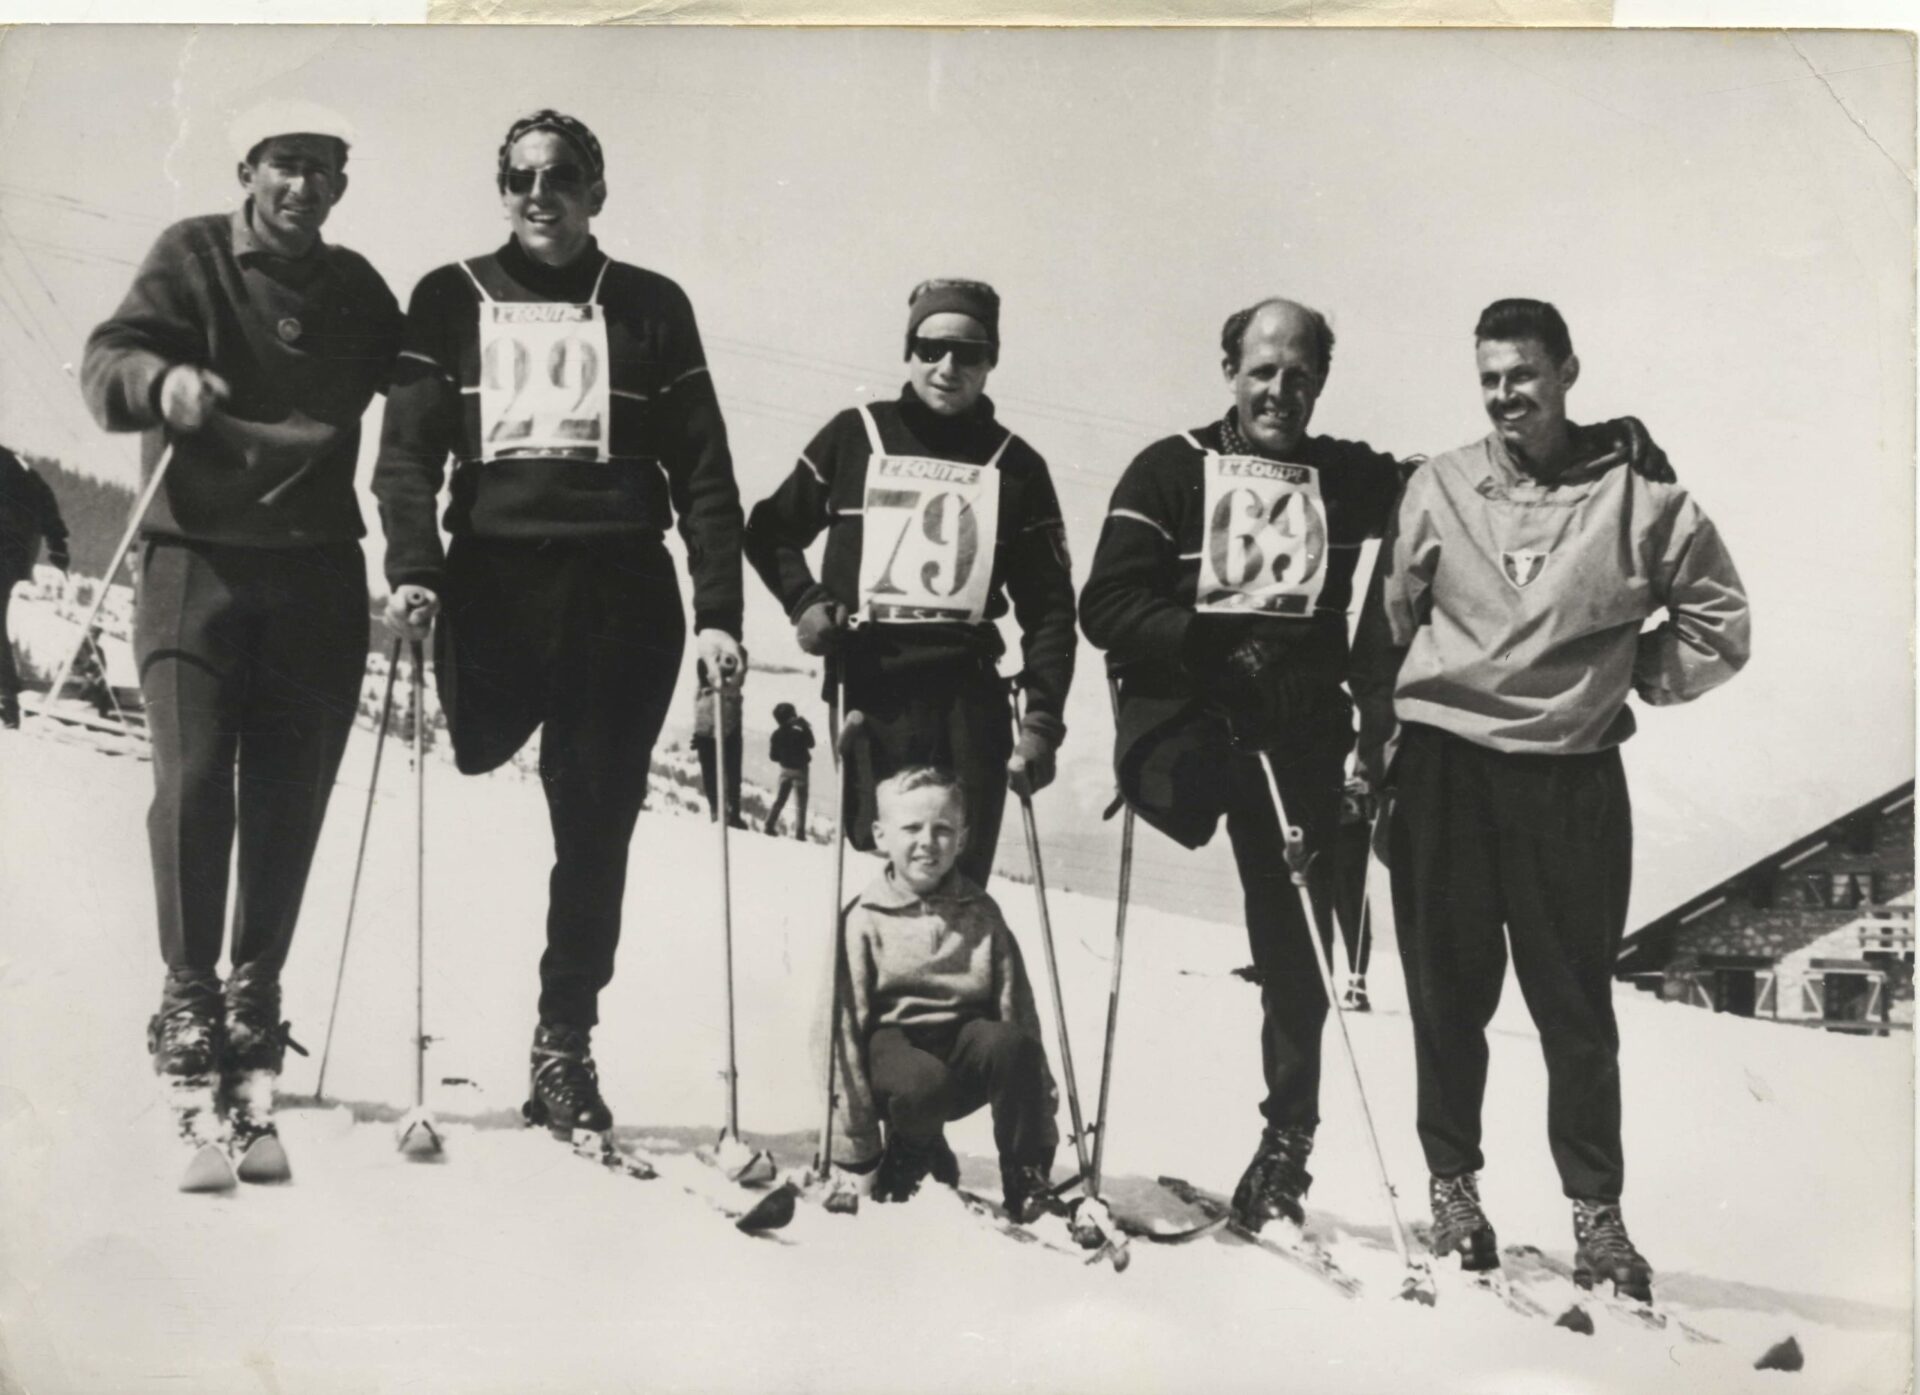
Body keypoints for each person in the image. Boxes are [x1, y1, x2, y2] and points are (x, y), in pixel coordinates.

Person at [1079, 296, 1673, 1238]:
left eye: (1301, 372)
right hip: (1197, 726)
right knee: (1227, 857)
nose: (1282, 388)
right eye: (1264, 369)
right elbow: (1106, 602)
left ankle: (1287, 1144)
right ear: (1230, 369)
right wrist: (1203, 639)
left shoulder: (1342, 474)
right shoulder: (1169, 469)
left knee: (1299, 951)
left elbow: (1464, 484)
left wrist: (1601, 444)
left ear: (1322, 379)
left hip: (1299, 733)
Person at [1352, 298, 1750, 1299]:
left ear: (1568, 372)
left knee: (1575, 1011)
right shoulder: (1438, 487)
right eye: (1489, 379)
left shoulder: (1640, 495)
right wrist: (1375, 755)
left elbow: (1719, 620)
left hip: (1570, 782)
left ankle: (1598, 1217)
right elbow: (1386, 628)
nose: (1504, 396)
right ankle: (1454, 1192)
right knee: (1448, 999)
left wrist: (1633, 675)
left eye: (1523, 376)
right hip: (1445, 770)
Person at [373, 110, 745, 1142]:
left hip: (620, 591)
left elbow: (706, 473)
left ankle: (562, 1043)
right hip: (493, 585)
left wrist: (721, 612)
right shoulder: (450, 297)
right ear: (502, 191)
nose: (543, 194)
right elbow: (404, 458)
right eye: (523, 177)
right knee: (480, 760)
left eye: (564, 176)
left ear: (597, 190)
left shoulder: (651, 306)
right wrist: (415, 567)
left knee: (594, 823)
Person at [81, 100, 402, 1157]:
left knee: (290, 788)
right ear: (247, 170)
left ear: (342, 186)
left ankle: (254, 988)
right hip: (196, 559)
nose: (301, 186)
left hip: (316, 572)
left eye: (321, 169)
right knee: (193, 777)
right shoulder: (191, 257)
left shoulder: (357, 290)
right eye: (283, 164)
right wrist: (159, 380)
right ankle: (187, 991)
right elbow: (109, 360)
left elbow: (428, 379)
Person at [744, 279, 1076, 888]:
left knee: (959, 876)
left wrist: (1042, 722)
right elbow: (769, 529)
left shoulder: (1017, 465)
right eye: (931, 349)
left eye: (969, 353)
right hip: (872, 688)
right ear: (910, 350)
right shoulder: (855, 435)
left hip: (969, 698)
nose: (948, 368)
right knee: (886, 872)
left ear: (991, 359)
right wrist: (806, 601)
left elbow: (1051, 609)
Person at [826, 766, 1061, 1220]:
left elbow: (1018, 1010)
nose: (927, 842)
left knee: (1009, 1043)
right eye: (911, 828)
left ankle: (1025, 1178)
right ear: (881, 835)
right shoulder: (864, 918)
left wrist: (1040, 1119)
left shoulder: (981, 913)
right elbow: (838, 1027)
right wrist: (855, 1144)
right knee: (920, 1082)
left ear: (964, 837)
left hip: (961, 1054)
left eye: (943, 829)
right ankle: (910, 1155)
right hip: (893, 1062)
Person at [0, 445, 69, 729]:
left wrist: (57, 542)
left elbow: (40, 494)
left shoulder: (9, 463)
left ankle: (5, 698)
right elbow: (43, 493)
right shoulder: (13, 461)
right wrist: (57, 543)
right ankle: (5, 696)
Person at [691, 651, 746, 828]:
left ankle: (720, 811)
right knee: (731, 773)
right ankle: (729, 812)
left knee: (713, 774)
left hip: (708, 732)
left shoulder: (703, 691)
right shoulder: (721, 688)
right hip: (721, 731)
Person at [764, 701, 815, 838]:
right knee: (801, 803)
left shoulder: (776, 734)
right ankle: (800, 833)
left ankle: (769, 824)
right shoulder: (799, 730)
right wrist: (805, 727)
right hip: (801, 771)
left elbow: (773, 757)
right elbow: (811, 744)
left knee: (780, 799)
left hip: (784, 770)